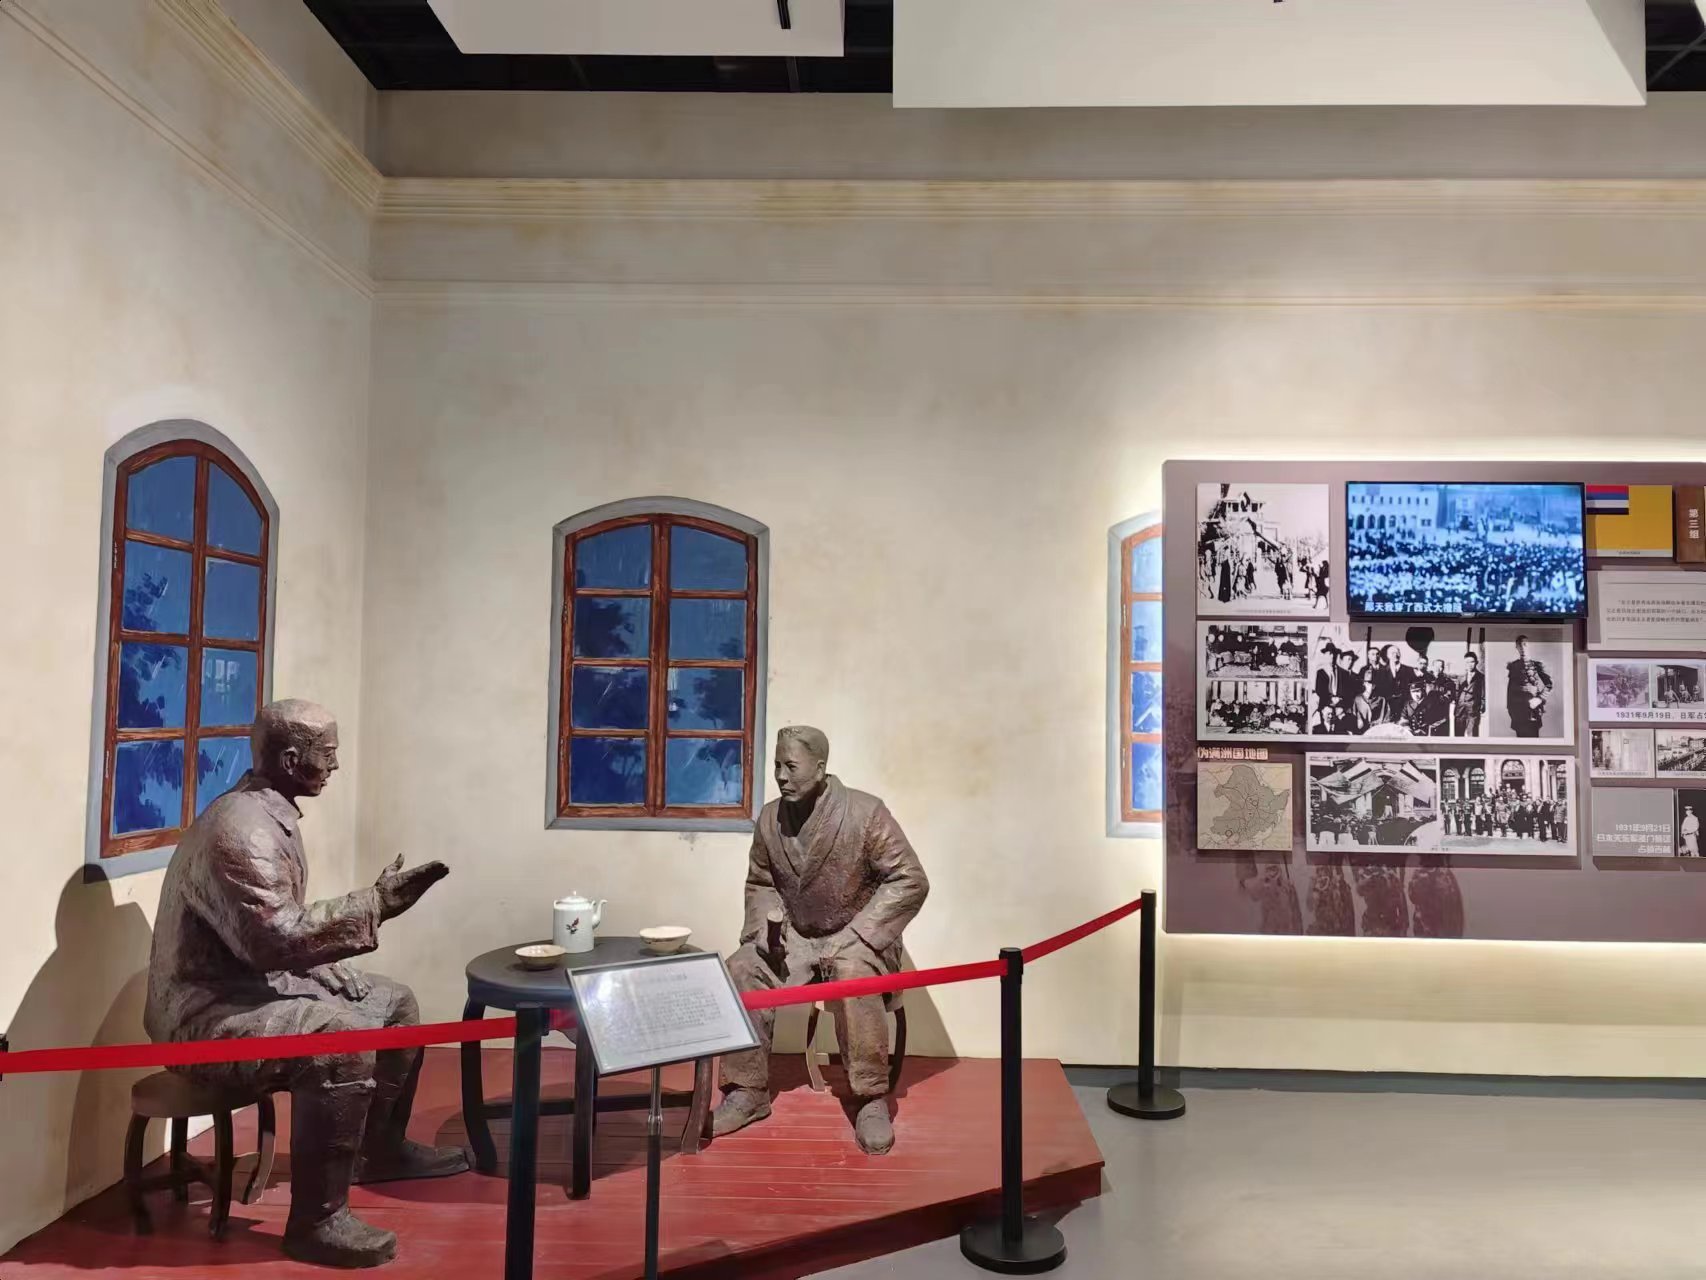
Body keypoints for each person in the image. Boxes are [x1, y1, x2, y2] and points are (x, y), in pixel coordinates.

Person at [145, 700, 464, 1268]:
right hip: (204, 1011)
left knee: (394, 1004)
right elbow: (271, 940)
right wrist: (375, 904)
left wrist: (317, 963)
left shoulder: (271, 813)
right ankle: (317, 1221)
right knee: (340, 1044)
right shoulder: (241, 831)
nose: (335, 766)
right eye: (328, 754)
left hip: (248, 982)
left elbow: (263, 933)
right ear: (293, 760)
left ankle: (378, 1150)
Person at [715, 726, 929, 1155]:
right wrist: (765, 931)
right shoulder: (770, 819)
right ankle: (747, 1090)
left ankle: (869, 1096)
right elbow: (761, 882)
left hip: (856, 938)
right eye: (777, 765)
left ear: (820, 767)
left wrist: (861, 935)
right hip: (796, 940)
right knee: (742, 967)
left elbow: (910, 879)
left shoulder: (865, 813)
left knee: (854, 973)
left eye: (791, 766)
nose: (781, 776)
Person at [1505, 634, 1553, 738]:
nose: (1522, 648)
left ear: (1529, 645)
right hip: (1518, 711)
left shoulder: (1536, 665)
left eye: (1525, 644)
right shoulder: (1513, 666)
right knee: (1520, 741)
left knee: (1533, 740)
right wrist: (1511, 709)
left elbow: (1549, 685)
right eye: (1519, 645)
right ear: (1516, 647)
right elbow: (1510, 690)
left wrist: (1539, 699)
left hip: (1533, 710)